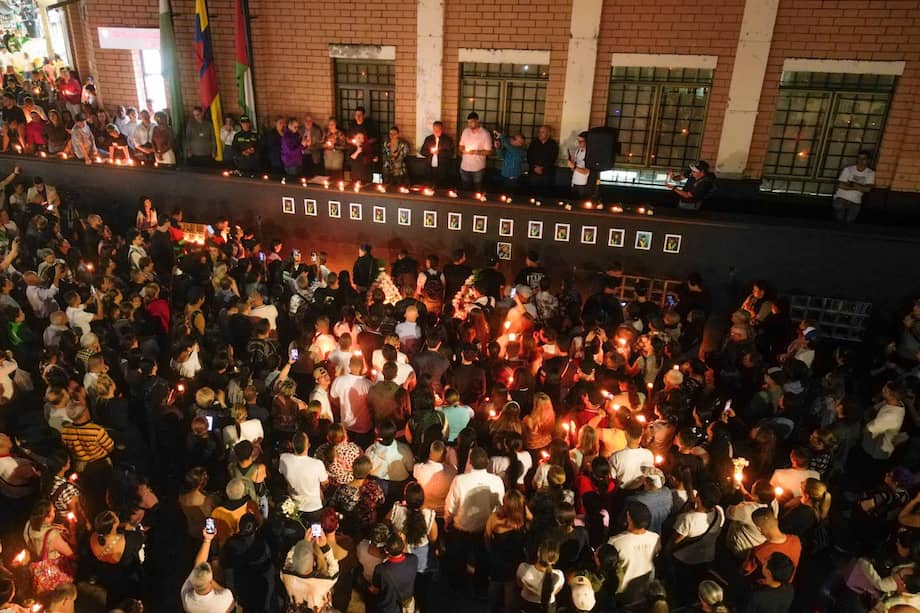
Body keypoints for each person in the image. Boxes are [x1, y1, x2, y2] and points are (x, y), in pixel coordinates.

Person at [181, 525, 236, 612]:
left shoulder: (187, 599)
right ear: (210, 580)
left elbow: (197, 567)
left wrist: (207, 540)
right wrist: (207, 540)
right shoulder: (225, 598)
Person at [833, 150, 875, 222]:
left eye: (863, 159)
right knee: (839, 214)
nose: (860, 161)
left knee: (850, 221)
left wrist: (851, 183)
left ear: (868, 160)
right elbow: (841, 185)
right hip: (842, 197)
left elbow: (868, 189)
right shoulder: (848, 169)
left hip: (856, 201)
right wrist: (860, 187)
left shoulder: (870, 173)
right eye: (859, 158)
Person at [458, 112, 492, 189]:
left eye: (472, 122)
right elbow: (461, 146)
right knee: (465, 189)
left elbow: (489, 151)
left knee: (477, 189)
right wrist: (462, 150)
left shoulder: (485, 134)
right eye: (468, 122)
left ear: (477, 121)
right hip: (464, 166)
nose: (469, 124)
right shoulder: (465, 131)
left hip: (478, 168)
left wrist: (475, 152)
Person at [420, 121, 454, 186]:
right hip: (429, 168)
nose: (436, 131)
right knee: (429, 186)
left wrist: (439, 152)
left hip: (442, 169)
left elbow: (450, 153)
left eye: (438, 130)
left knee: (441, 187)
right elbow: (422, 151)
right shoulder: (428, 139)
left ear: (442, 129)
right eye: (435, 130)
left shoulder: (447, 140)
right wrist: (430, 152)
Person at [528, 125, 559, 190]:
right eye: (539, 132)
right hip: (534, 172)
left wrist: (542, 168)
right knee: (532, 192)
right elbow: (529, 156)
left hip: (546, 174)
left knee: (545, 193)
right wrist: (534, 167)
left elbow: (553, 158)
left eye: (542, 132)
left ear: (548, 133)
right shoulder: (534, 143)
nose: (540, 134)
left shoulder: (553, 144)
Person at [568, 131, 590, 198]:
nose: (579, 143)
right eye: (578, 141)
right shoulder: (578, 150)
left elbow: (586, 171)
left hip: (583, 184)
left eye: (581, 141)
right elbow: (573, 168)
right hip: (574, 182)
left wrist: (574, 167)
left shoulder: (589, 153)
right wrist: (572, 163)